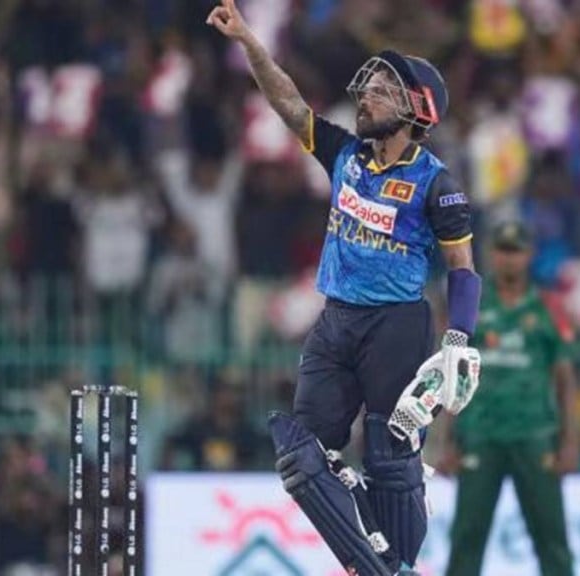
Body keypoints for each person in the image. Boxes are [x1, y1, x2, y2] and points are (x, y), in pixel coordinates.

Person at [208, 1, 483, 574]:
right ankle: (384, 568)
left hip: (398, 326)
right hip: (336, 320)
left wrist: (458, 339)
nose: (366, 96)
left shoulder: (436, 183)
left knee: (392, 463)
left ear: (416, 110)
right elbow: (286, 102)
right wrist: (248, 42)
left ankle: (391, 563)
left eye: (382, 90)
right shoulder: (345, 155)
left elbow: (463, 269)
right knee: (301, 456)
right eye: (368, 87)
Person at [441, 221, 579, 576]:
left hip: (534, 436)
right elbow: (450, 372)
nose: (509, 259)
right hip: (480, 434)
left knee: (552, 539)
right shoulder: (470, 306)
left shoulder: (548, 305)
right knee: (466, 539)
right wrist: (446, 441)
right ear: (491, 254)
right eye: (503, 250)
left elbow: (564, 378)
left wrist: (569, 440)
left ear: (529, 255)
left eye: (516, 251)